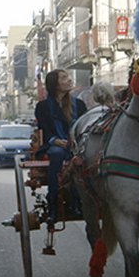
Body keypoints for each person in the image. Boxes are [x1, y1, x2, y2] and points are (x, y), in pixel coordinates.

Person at [34, 69, 87, 224]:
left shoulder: (79, 105)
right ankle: (53, 204)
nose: (69, 80)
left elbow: (84, 126)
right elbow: (44, 128)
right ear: (55, 84)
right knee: (56, 154)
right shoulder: (43, 106)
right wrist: (55, 140)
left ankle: (80, 200)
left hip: (76, 144)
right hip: (55, 144)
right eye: (64, 78)